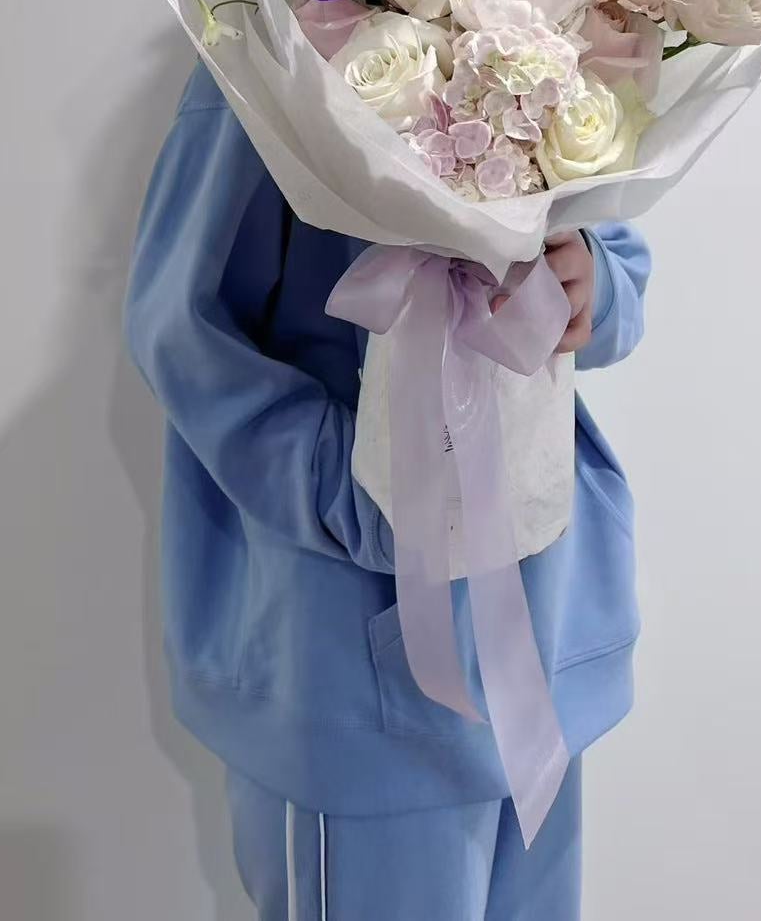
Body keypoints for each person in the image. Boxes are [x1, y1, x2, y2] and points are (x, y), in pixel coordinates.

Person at [125, 62, 652, 920]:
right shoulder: (271, 35)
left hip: (544, 627)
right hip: (349, 659)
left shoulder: (552, 3)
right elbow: (178, 322)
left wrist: (595, 278)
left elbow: (613, 248)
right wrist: (359, 492)